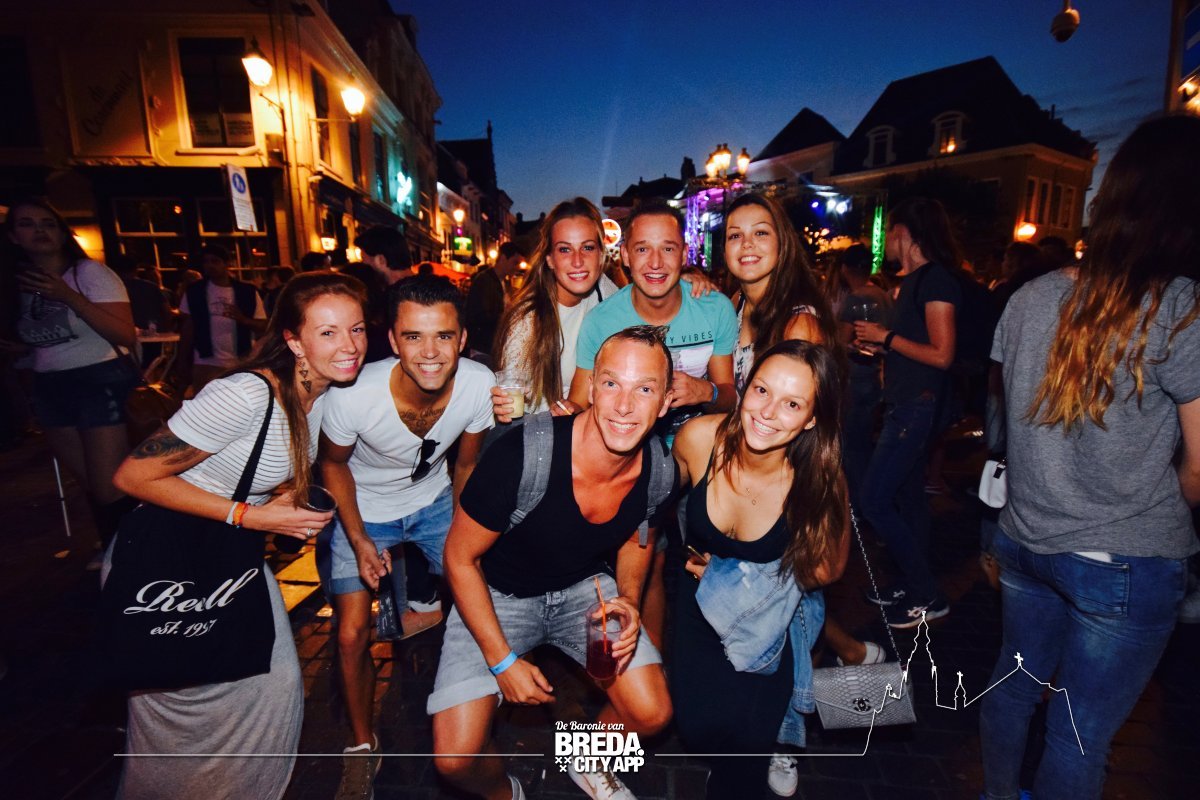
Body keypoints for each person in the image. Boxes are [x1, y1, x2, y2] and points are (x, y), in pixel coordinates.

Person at [979, 115, 1200, 800]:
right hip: (1123, 558)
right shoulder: (1178, 306)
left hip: (1026, 540)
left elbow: (1005, 415)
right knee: (1080, 732)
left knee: (1014, 688)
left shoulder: (1031, 296)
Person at [109, 271, 368, 800]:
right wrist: (251, 517)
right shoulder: (244, 394)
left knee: (269, 687)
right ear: (294, 341)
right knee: (182, 711)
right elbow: (132, 476)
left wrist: (279, 504)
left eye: (357, 329)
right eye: (328, 332)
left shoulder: (319, 393)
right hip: (169, 558)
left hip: (230, 554)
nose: (349, 346)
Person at [431, 326, 676, 800]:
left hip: (584, 587)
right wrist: (503, 662)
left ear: (665, 402)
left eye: (644, 389)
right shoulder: (521, 454)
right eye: (612, 383)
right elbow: (458, 558)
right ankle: (508, 794)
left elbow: (638, 538)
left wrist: (628, 597)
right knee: (454, 759)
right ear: (591, 387)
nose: (624, 406)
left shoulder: (661, 470)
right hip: (496, 593)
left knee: (653, 714)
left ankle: (586, 760)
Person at [320, 275, 494, 797]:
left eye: (444, 335)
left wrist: (463, 538)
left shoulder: (478, 384)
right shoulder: (353, 395)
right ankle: (361, 744)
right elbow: (332, 466)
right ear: (393, 341)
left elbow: (466, 467)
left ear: (463, 338)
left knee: (482, 598)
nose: (430, 352)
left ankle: (476, 715)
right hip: (363, 510)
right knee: (351, 633)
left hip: (433, 502)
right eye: (414, 336)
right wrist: (358, 538)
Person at [671, 340, 849, 799]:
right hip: (697, 609)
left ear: (811, 419)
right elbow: (657, 507)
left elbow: (825, 572)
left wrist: (734, 575)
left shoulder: (816, 478)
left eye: (792, 404)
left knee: (744, 754)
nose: (768, 413)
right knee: (697, 727)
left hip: (770, 624)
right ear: (746, 387)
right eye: (762, 391)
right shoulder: (699, 440)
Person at [569, 201, 737, 649]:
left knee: (716, 561)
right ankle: (654, 663)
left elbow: (731, 396)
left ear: (685, 252)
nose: (656, 262)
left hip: (701, 463)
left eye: (668, 248)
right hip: (635, 463)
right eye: (643, 249)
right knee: (651, 564)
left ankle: (721, 653)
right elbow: (581, 402)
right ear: (624, 254)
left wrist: (704, 391)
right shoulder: (603, 321)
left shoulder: (714, 309)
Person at [6, 198, 140, 556]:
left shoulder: (89, 274)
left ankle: (127, 554)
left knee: (109, 484)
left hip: (99, 378)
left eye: (48, 223)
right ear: (13, 236)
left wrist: (66, 295)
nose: (39, 231)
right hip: (49, 384)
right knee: (90, 483)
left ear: (63, 233)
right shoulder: (13, 285)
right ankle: (118, 547)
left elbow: (124, 334)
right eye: (27, 224)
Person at [852, 197, 961, 628]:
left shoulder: (936, 280)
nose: (886, 244)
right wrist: (882, 347)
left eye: (892, 233)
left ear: (905, 234)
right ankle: (912, 583)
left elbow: (943, 354)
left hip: (917, 407)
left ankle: (928, 594)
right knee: (909, 500)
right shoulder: (913, 282)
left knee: (874, 500)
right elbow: (915, 348)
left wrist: (887, 337)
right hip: (905, 402)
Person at [492, 198, 621, 419]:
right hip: (540, 426)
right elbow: (513, 402)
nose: (578, 261)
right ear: (550, 260)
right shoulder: (527, 320)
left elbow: (638, 310)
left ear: (601, 255)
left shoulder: (604, 289)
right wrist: (503, 406)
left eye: (587, 247)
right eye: (565, 249)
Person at [178, 244, 267, 393]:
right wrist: (182, 359)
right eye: (206, 262)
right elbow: (188, 326)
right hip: (205, 360)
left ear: (227, 264)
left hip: (240, 359)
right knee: (207, 401)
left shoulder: (247, 292)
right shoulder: (195, 291)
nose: (210, 266)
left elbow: (263, 326)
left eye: (215, 261)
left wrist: (243, 319)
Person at [465, 241, 524, 366]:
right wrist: (509, 315)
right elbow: (479, 315)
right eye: (515, 262)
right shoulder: (484, 280)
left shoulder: (504, 282)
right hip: (484, 348)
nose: (517, 267)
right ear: (503, 258)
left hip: (495, 348)